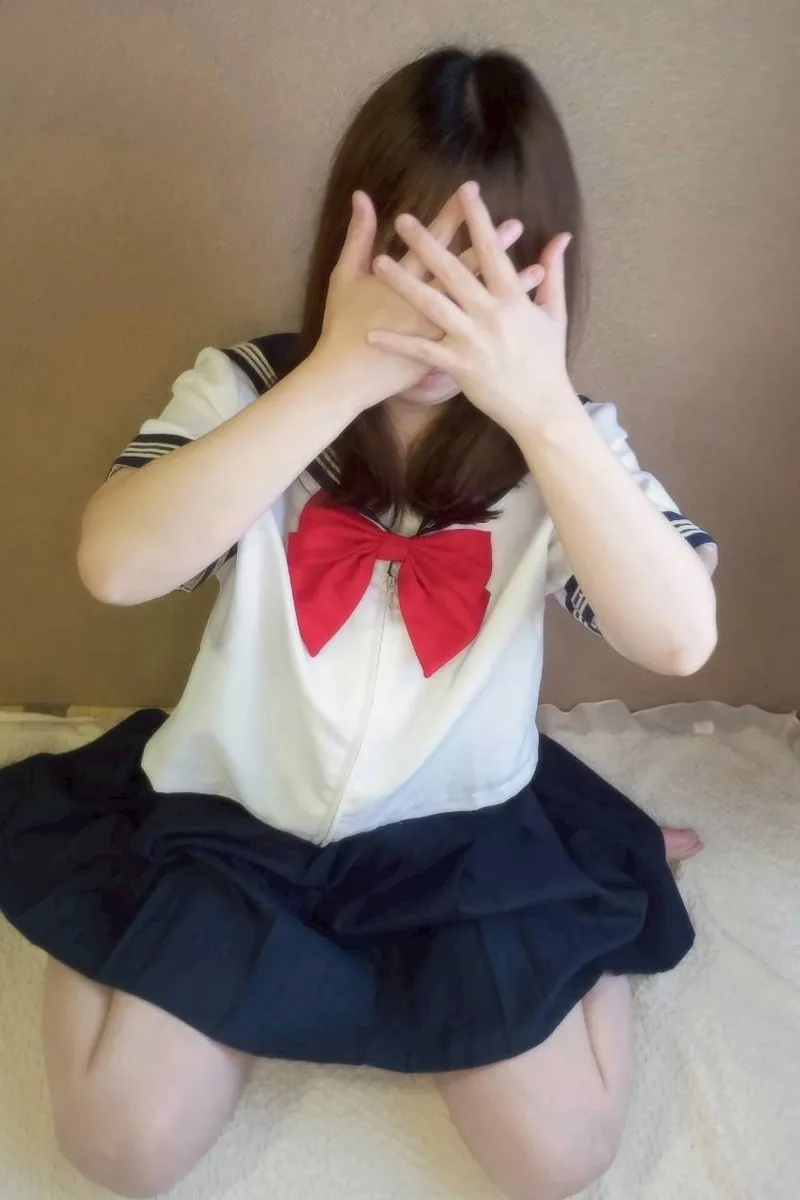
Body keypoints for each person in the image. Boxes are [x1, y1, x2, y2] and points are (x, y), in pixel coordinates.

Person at [0, 46, 717, 1200]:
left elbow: (677, 637)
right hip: (236, 818)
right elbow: (116, 564)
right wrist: (334, 377)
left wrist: (541, 411)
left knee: (557, 1158)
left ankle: (588, 903)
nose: (436, 313)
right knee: (117, 1145)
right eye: (410, 262)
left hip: (459, 838)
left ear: (542, 275)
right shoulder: (247, 386)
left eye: (480, 274)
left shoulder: (565, 444)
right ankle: (108, 918)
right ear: (352, 237)